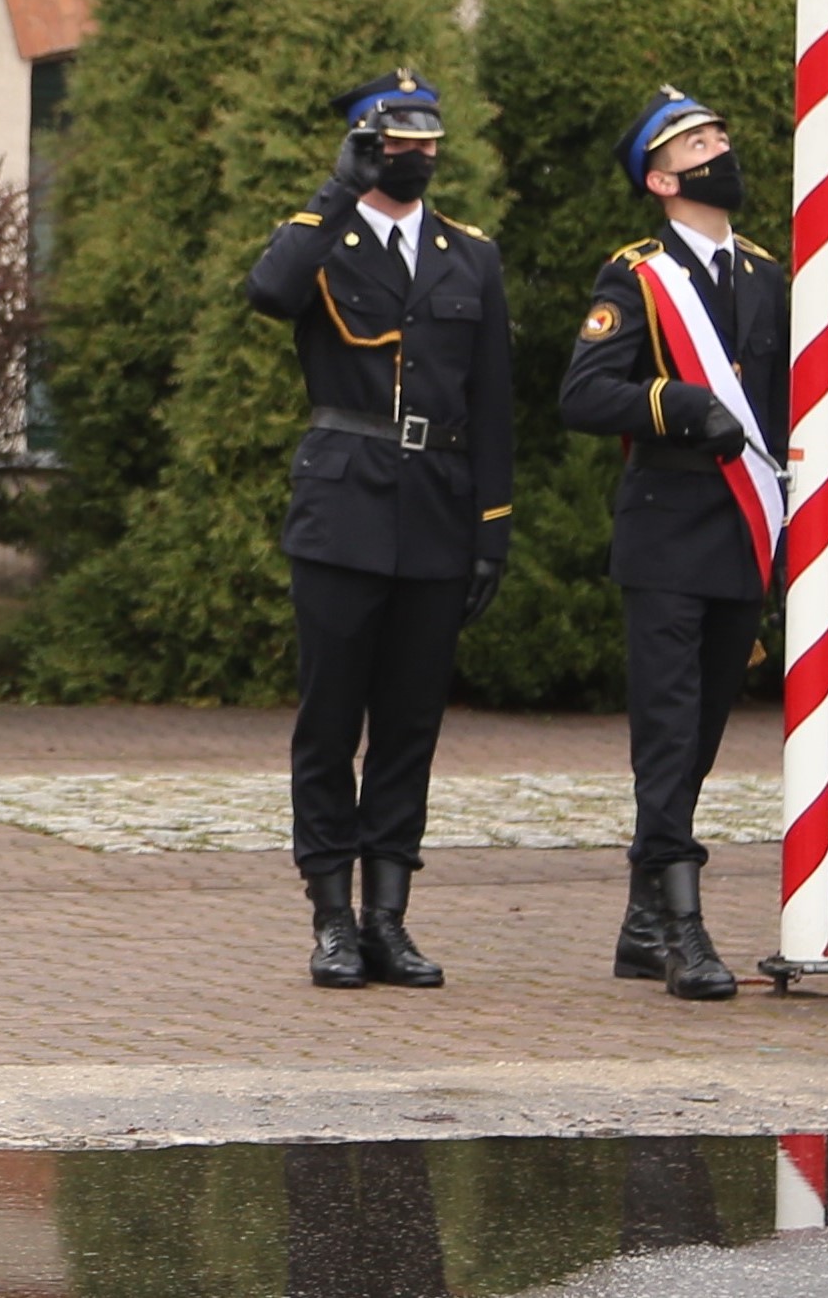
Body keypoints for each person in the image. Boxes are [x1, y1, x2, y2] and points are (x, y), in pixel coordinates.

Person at [242, 71, 510, 991]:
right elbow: (270, 292)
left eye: (430, 139)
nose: (419, 154)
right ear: (366, 143)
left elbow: (494, 403)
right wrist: (336, 188)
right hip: (343, 508)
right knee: (329, 721)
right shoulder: (324, 239)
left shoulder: (469, 256)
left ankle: (387, 917)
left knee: (408, 725)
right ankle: (329, 918)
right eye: (398, 139)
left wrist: (492, 529)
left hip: (436, 509)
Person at [556, 88, 789, 1003]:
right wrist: (680, 405)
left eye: (721, 133)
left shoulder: (767, 275)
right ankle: (683, 928)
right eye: (697, 142)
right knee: (665, 734)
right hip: (667, 531)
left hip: (744, 532)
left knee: (697, 737)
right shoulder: (638, 277)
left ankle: (641, 920)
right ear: (660, 179)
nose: (719, 148)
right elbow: (583, 394)